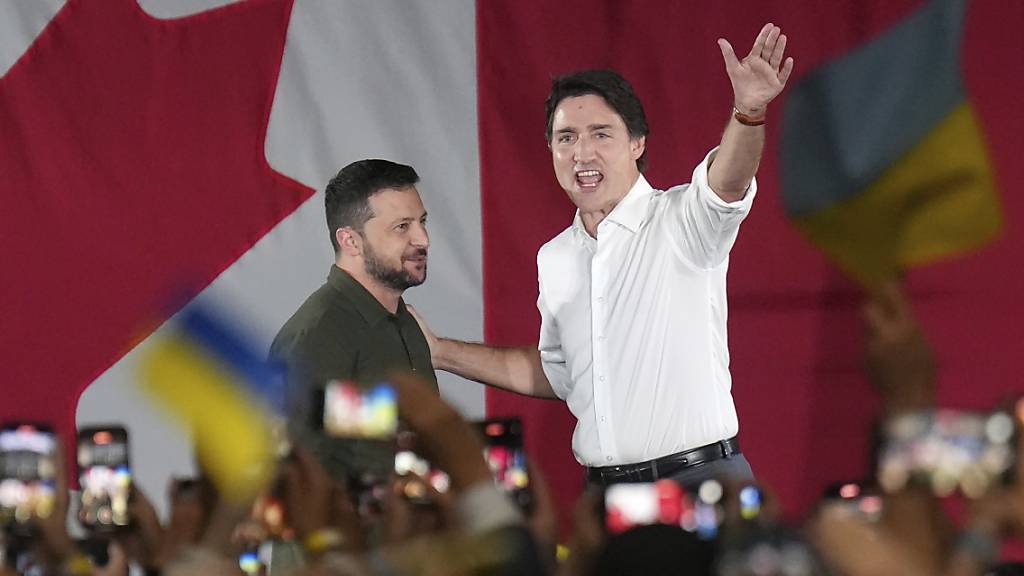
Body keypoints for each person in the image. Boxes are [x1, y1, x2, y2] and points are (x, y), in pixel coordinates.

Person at [410, 24, 794, 489]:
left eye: (600, 134)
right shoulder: (555, 257)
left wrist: (748, 112)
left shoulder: (682, 219)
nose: (582, 153)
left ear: (637, 143)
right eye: (566, 137)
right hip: (606, 493)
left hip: (701, 482)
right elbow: (559, 373)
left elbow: (728, 182)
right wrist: (441, 352)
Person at [270, 159, 437, 479]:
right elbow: (296, 475)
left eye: (422, 221)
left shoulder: (405, 324)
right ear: (350, 241)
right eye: (402, 227)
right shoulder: (319, 334)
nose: (423, 239)